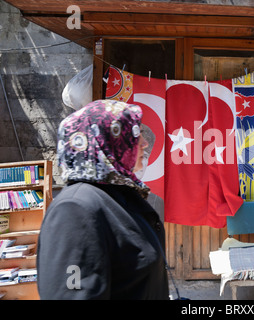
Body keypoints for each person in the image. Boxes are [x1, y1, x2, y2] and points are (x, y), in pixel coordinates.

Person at [37, 100, 169, 299]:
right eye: (134, 133)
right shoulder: (75, 210)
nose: (144, 142)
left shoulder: (120, 196)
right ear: (105, 141)